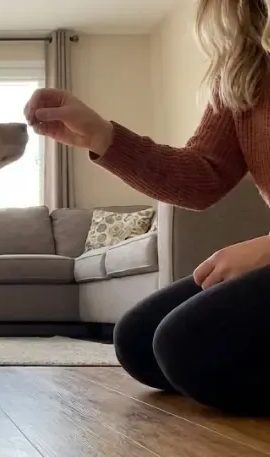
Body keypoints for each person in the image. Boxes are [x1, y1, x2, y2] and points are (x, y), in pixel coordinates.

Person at [23, 0, 270, 415]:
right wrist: (101, 136)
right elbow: (203, 177)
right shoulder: (247, 71)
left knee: (185, 346)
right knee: (139, 342)